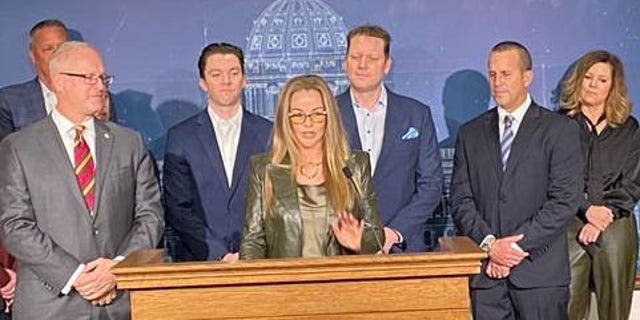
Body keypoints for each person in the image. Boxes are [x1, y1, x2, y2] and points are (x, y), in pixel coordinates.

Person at [0, 41, 164, 319]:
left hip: (118, 302)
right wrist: (75, 275)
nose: (100, 86)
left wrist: (116, 268)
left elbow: (150, 216)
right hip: (49, 305)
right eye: (89, 77)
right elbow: (14, 225)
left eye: (103, 78)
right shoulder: (19, 147)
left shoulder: (129, 143)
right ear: (59, 82)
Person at [451, 41, 583, 320]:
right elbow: (462, 201)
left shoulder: (560, 130)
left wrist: (514, 248)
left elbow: (564, 201)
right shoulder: (470, 133)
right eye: (492, 74)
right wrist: (490, 245)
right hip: (487, 278)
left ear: (527, 77)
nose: (497, 82)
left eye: (506, 74)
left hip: (540, 277)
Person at [240, 74, 385, 259]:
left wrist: (359, 242)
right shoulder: (264, 169)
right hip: (283, 285)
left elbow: (375, 235)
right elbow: (253, 241)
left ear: (329, 117)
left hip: (340, 283)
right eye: (298, 115)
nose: (308, 123)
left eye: (317, 114)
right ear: (286, 119)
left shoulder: (354, 165)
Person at [336, 24, 442, 253]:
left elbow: (431, 186)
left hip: (401, 250)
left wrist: (392, 233)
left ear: (387, 65)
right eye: (356, 57)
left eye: (372, 58)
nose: (362, 65)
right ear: (345, 63)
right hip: (339, 252)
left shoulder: (416, 115)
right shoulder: (326, 115)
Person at [163, 43, 272, 261]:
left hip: (260, 261)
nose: (226, 81)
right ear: (202, 83)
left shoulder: (270, 133)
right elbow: (178, 208)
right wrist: (219, 254)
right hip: (201, 262)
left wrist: (249, 252)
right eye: (216, 74)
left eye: (234, 73)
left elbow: (277, 202)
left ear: (244, 79)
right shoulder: (180, 137)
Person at [559, 50, 640, 320]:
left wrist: (603, 216)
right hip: (569, 222)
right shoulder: (557, 125)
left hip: (615, 222)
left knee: (615, 311)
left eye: (602, 80)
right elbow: (555, 178)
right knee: (566, 306)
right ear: (578, 80)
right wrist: (585, 208)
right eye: (588, 77)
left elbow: (633, 181)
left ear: (612, 86)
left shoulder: (629, 128)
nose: (593, 84)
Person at [0, 19, 69, 141]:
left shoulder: (94, 94)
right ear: (33, 56)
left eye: (62, 47)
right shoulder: (9, 101)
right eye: (48, 48)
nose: (57, 54)